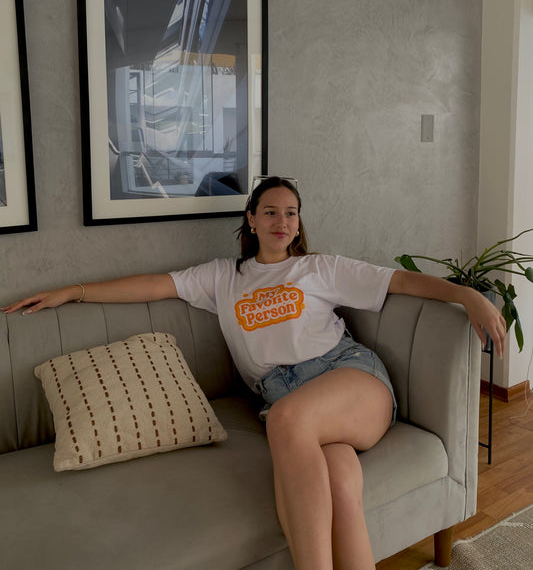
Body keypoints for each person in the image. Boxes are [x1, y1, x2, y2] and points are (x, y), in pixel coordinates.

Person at [2, 176, 506, 570]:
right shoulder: (224, 277)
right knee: (340, 484)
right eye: (270, 211)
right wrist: (75, 292)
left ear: (299, 223)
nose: (282, 221)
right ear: (251, 219)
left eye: (291, 213)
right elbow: (154, 285)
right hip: (286, 394)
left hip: (347, 376)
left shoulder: (319, 268)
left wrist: (467, 295)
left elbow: (399, 281)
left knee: (287, 420)